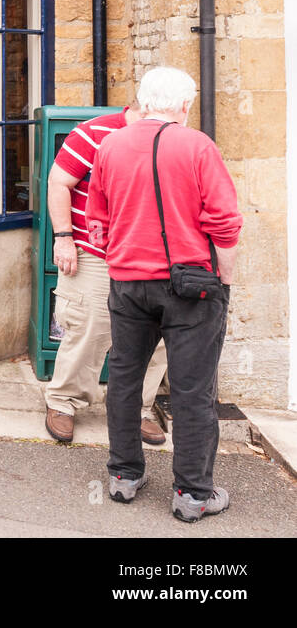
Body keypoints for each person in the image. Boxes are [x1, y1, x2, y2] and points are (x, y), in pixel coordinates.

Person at [86, 67, 242, 522]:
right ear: (185, 105)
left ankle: (123, 475)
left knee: (124, 377)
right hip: (191, 285)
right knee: (194, 388)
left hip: (128, 282)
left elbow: (97, 221)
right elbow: (225, 221)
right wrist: (224, 281)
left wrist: (122, 253)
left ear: (142, 99)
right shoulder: (197, 145)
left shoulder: (111, 145)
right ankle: (192, 493)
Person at [43, 104, 168, 445]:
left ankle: (137, 409)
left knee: (154, 336)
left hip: (150, 254)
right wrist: (64, 238)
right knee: (90, 328)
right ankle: (64, 402)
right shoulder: (92, 133)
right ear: (146, 105)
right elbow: (58, 182)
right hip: (95, 252)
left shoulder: (171, 137)